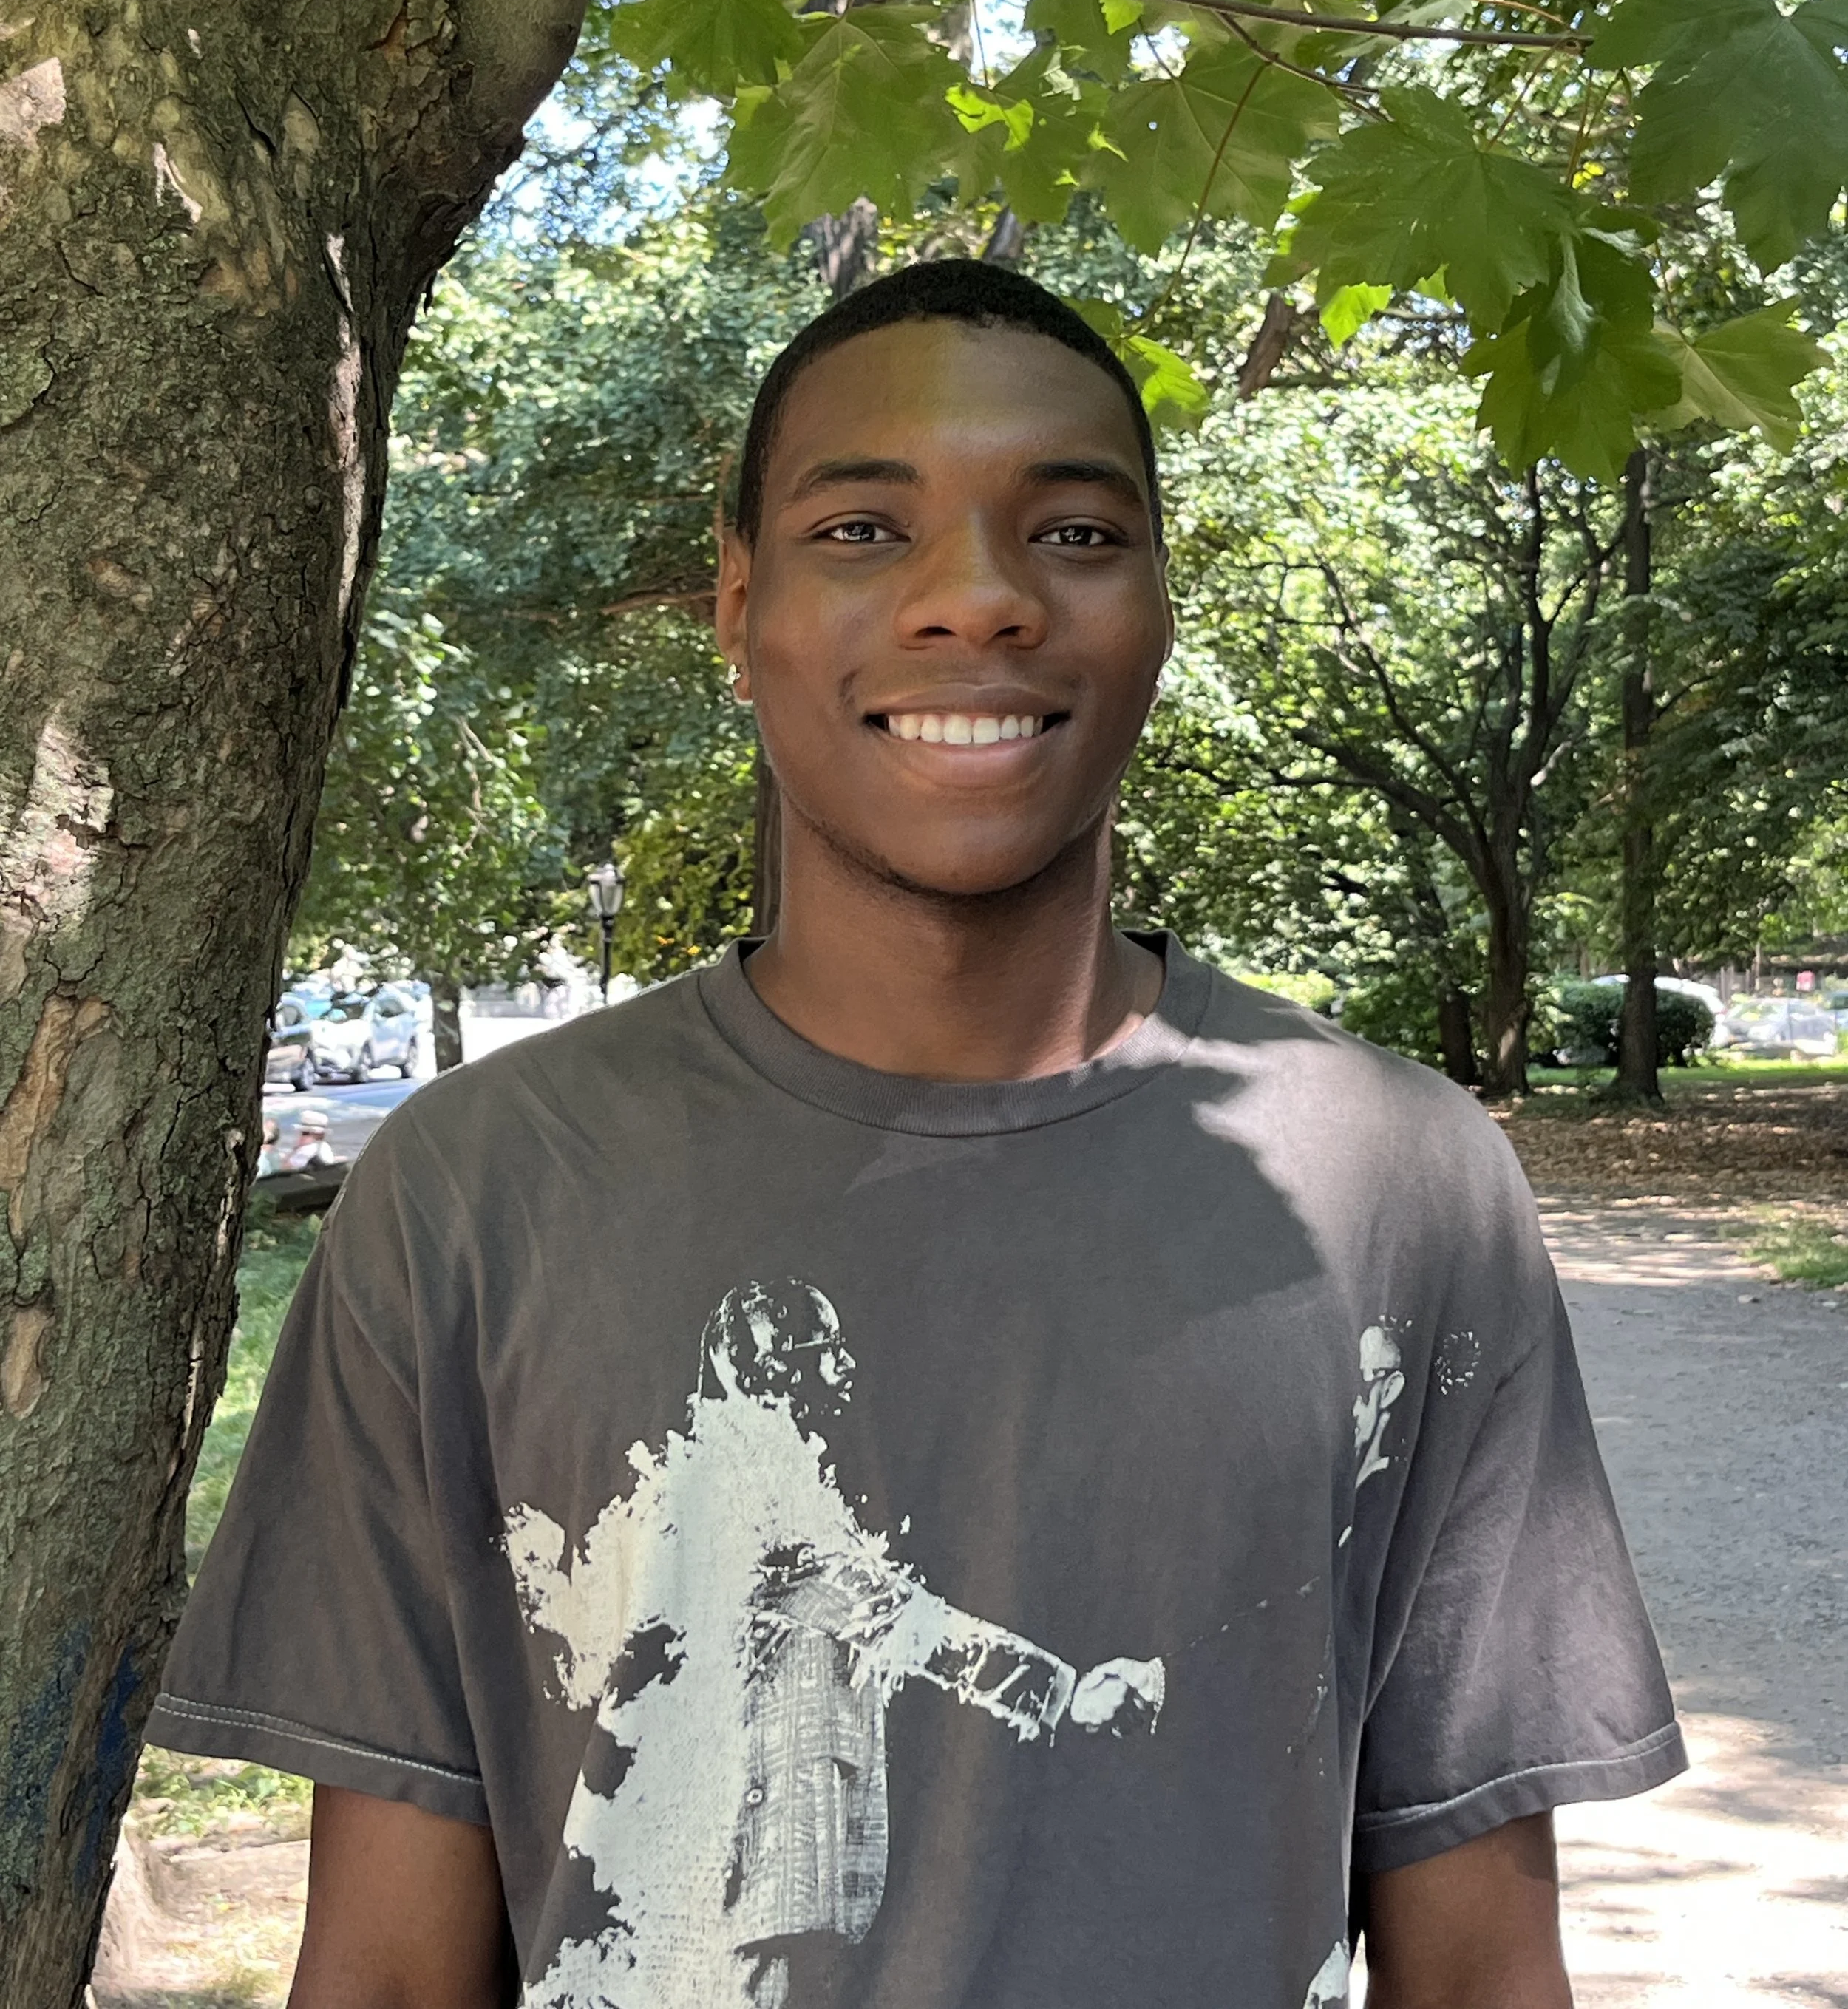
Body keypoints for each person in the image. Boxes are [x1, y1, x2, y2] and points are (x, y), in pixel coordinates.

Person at [147, 259, 1685, 2009]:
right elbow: (390, 1970)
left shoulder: (1399, 1183)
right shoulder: (476, 1194)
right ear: (738, 610)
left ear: (1158, 605)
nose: (978, 599)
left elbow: (1482, 1955)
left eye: (1078, 531)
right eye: (863, 529)